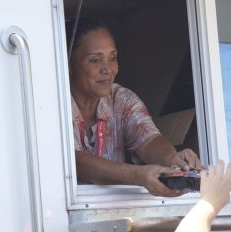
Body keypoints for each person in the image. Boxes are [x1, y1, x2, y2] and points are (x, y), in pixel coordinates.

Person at [67, 18, 201, 197]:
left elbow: (149, 140)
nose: (108, 69)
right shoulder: (54, 105)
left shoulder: (121, 99)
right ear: (69, 65)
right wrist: (137, 175)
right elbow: (74, 162)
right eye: (95, 60)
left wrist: (173, 160)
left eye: (113, 59)